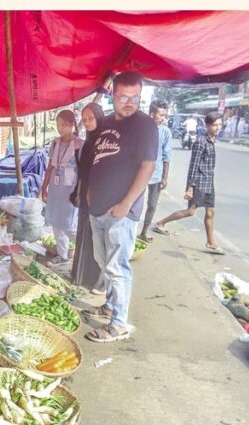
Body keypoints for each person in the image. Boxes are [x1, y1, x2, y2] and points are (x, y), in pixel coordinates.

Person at [82, 71, 158, 343]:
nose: (129, 103)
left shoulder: (145, 125)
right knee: (105, 263)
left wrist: (126, 204)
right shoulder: (105, 124)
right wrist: (90, 191)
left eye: (135, 98)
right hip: (98, 209)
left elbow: (148, 166)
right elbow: (96, 160)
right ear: (113, 95)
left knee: (117, 267)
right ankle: (111, 305)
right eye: (123, 97)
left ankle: (119, 323)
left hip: (120, 212)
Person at [153, 112, 225, 255]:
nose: (218, 128)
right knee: (190, 212)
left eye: (220, 125)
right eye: (215, 125)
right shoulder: (200, 142)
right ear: (207, 125)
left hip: (209, 182)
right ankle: (160, 223)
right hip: (198, 182)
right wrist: (190, 188)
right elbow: (194, 165)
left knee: (211, 212)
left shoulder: (212, 140)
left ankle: (211, 242)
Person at [70, 102, 105, 294]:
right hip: (85, 194)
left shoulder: (104, 141)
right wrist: (77, 192)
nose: (88, 122)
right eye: (84, 120)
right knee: (85, 234)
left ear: (99, 117)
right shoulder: (88, 141)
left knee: (98, 238)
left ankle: (99, 282)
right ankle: (83, 275)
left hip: (99, 196)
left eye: (91, 118)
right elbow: (82, 172)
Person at [41, 110, 83, 265]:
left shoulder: (80, 144)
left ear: (73, 125)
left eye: (65, 125)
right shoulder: (55, 143)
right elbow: (50, 166)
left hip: (70, 189)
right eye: (59, 125)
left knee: (68, 223)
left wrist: (79, 192)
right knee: (55, 222)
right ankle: (62, 255)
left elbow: (84, 171)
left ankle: (85, 248)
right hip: (55, 187)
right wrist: (44, 186)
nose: (61, 128)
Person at [138, 101, 172, 242]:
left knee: (152, 204)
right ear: (152, 114)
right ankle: (129, 228)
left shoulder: (165, 132)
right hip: (139, 173)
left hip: (156, 175)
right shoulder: (141, 129)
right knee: (134, 203)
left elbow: (167, 156)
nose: (162, 118)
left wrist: (165, 177)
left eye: (164, 115)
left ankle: (144, 231)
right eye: (160, 114)